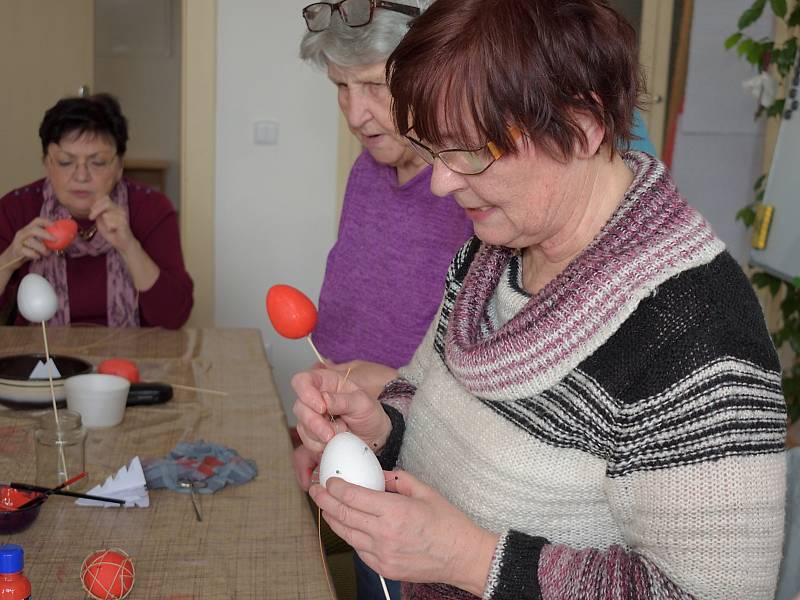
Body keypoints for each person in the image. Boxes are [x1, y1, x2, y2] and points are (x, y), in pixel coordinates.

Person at [291, 1, 788, 599]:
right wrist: (382, 429)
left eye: (470, 150)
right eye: (432, 149)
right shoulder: (494, 249)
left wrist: (469, 559)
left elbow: (713, 594)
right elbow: (427, 392)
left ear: (582, 128)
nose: (442, 181)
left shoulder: (696, 328)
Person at [296, 1, 473, 597]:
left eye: (373, 85)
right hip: (358, 447)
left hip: (435, 485)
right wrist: (319, 435)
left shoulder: (475, 193)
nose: (354, 112)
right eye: (340, 88)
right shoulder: (367, 172)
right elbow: (348, 311)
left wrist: (395, 383)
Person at [0, 93, 193, 328]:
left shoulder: (151, 208)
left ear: (119, 166)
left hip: (132, 356)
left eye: (98, 162)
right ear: (47, 164)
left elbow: (174, 316)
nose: (81, 176)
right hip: (44, 357)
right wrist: (10, 259)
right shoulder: (17, 208)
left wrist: (130, 247)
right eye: (65, 162)